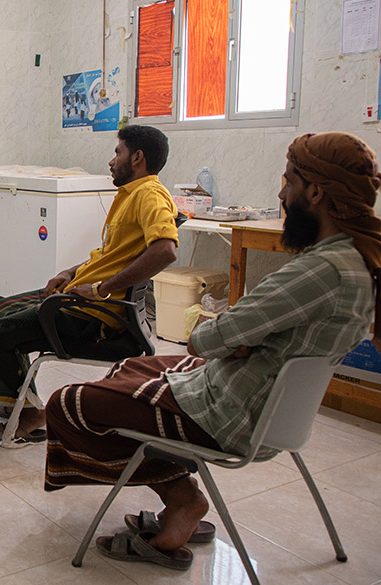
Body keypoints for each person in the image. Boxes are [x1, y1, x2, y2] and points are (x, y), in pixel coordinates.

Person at [44, 132, 380, 570]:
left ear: (315, 192)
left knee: (68, 404)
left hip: (230, 412)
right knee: (133, 365)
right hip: (270, 407)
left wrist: (231, 334)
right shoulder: (358, 261)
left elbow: (205, 338)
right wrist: (243, 338)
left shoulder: (321, 271)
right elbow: (233, 336)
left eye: (287, 181)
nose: (281, 193)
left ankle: (182, 501)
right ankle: (174, 486)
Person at [0, 124, 178, 444]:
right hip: (85, 299)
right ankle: (19, 401)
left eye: (118, 152)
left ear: (137, 157)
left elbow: (165, 250)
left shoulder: (149, 195)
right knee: (3, 308)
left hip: (97, 315)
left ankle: (31, 416)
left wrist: (102, 288)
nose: (112, 161)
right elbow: (111, 256)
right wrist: (71, 272)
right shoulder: (131, 195)